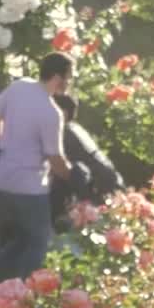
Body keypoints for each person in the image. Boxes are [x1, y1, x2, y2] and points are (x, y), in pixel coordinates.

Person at [0, 53, 73, 282]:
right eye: (68, 78)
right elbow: (54, 157)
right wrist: (73, 177)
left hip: (4, 179)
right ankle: (25, 295)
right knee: (38, 242)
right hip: (30, 187)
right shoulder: (51, 112)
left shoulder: (18, 87)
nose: (69, 83)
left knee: (18, 240)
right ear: (57, 78)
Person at [49, 93, 124, 226]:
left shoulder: (65, 134)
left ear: (63, 113)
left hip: (98, 192)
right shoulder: (75, 128)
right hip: (108, 185)